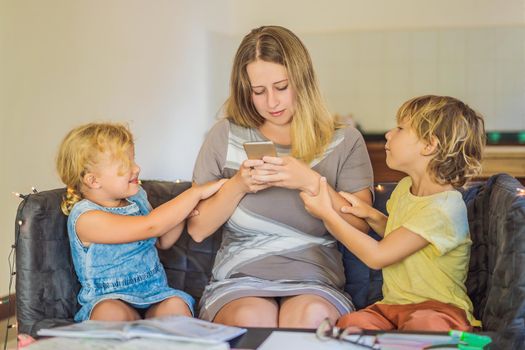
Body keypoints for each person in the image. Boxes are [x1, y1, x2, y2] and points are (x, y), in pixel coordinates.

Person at [188, 25, 374, 328]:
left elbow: (360, 228)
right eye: (259, 92)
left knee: (309, 317)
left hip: (315, 279)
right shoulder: (223, 136)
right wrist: (238, 186)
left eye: (282, 87)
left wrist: (311, 182)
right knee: (252, 318)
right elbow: (197, 229)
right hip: (239, 280)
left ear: (303, 81)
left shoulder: (345, 141)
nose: (272, 102)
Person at [300, 95, 485, 331]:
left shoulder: (444, 208)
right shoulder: (404, 189)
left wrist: (328, 215)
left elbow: (378, 256)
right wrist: (371, 215)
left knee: (425, 325)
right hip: (392, 306)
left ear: (430, 145)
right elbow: (402, 237)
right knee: (352, 323)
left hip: (439, 309)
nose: (388, 134)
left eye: (400, 128)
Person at [56, 122, 225, 322]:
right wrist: (194, 193)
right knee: (109, 313)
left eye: (133, 159)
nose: (136, 168)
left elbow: (162, 240)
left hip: (155, 292)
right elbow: (150, 226)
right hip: (109, 297)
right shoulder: (87, 218)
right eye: (125, 164)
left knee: (176, 306)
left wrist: (183, 214)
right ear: (93, 181)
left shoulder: (137, 198)